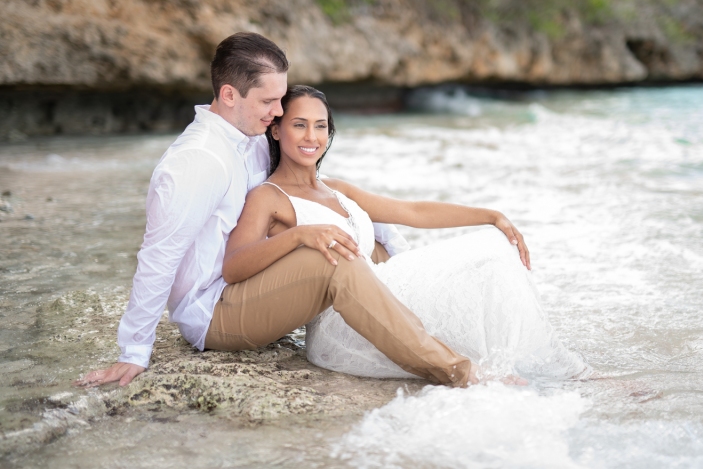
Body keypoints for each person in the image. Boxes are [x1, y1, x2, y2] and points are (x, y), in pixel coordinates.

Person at [77, 32, 478, 389]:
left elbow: (303, 188)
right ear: (230, 94)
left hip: (254, 281)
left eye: (280, 99)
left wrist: (374, 233)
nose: (278, 112)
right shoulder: (196, 161)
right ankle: (457, 372)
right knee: (335, 260)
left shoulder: (250, 136)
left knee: (362, 243)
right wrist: (134, 351)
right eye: (269, 101)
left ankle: (451, 342)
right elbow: (158, 257)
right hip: (213, 310)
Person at [223, 85, 588, 383]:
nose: (311, 136)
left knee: (490, 254)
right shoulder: (268, 197)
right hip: (346, 324)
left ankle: (561, 374)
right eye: (299, 124)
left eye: (320, 126)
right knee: (472, 320)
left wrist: (491, 216)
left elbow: (412, 212)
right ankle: (466, 374)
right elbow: (235, 266)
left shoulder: (336, 189)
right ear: (276, 130)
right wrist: (298, 236)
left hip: (387, 301)